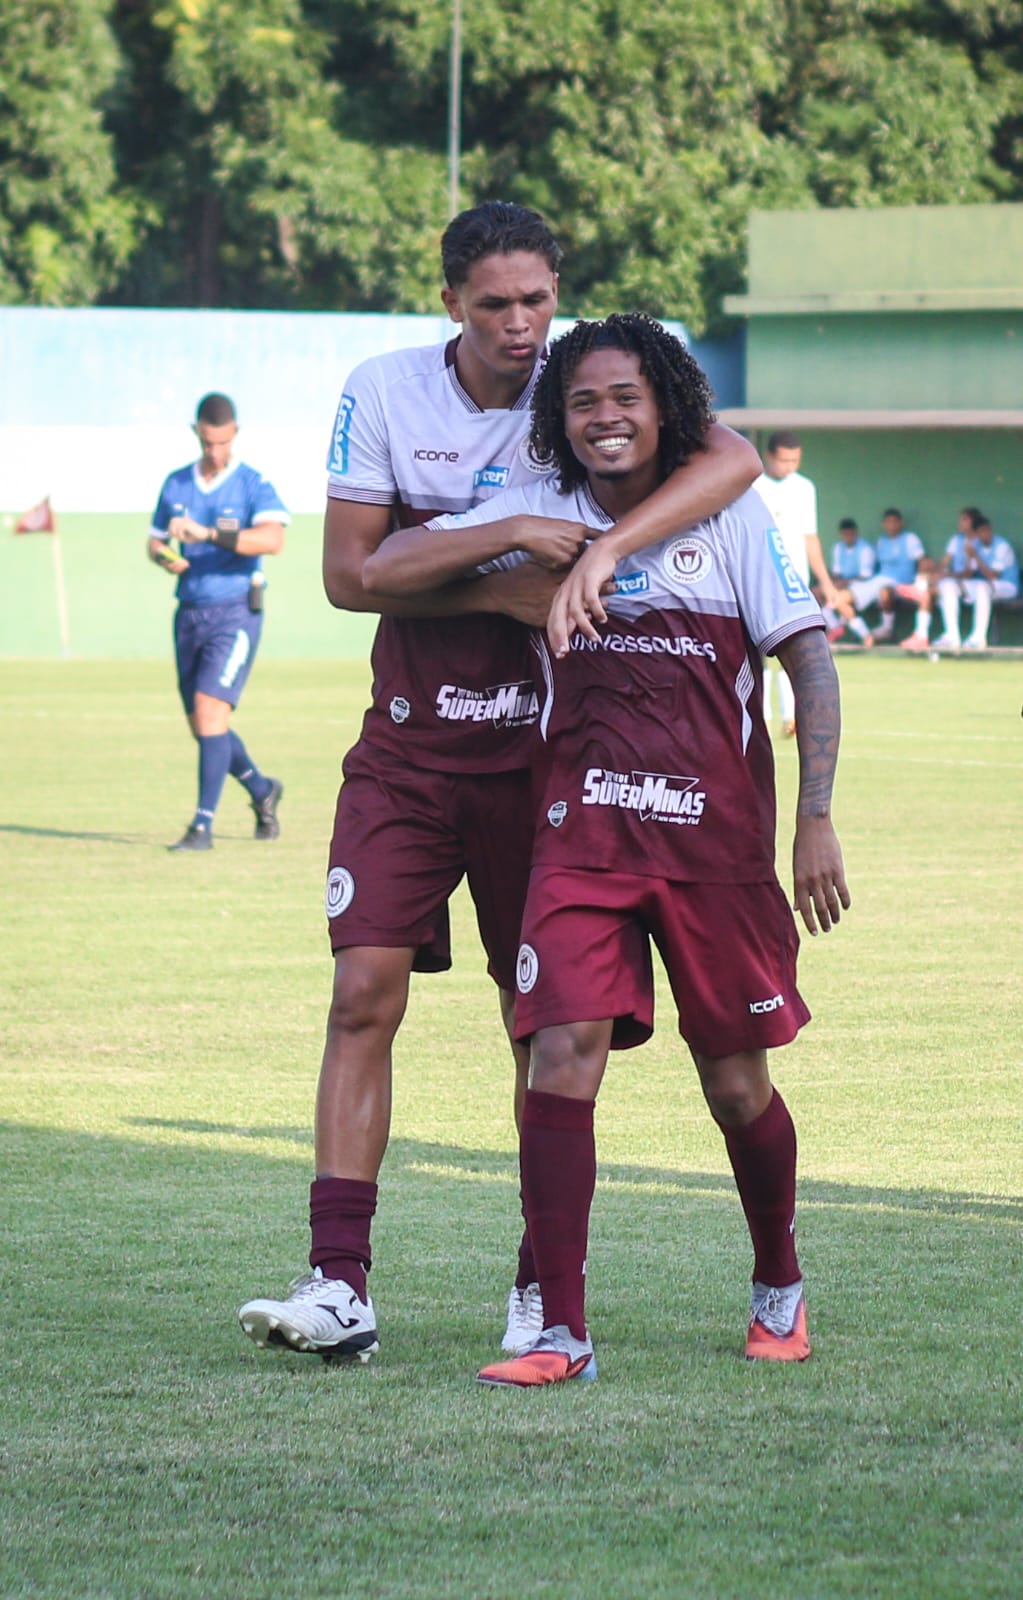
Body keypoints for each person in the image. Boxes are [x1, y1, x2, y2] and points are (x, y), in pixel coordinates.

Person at [237, 203, 762, 1363]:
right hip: (410, 751)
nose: (524, 326)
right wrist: (513, 546)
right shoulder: (384, 389)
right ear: (450, 305)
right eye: (495, 305)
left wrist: (610, 550)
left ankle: (541, 1285)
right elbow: (348, 575)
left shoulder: (585, 386)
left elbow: (725, 454)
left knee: (538, 1021)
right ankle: (338, 1281)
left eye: (539, 300)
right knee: (361, 990)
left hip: (550, 761)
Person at [363, 314, 850, 1385]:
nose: (604, 419)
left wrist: (814, 815)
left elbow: (809, 661)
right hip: (580, 840)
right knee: (560, 1054)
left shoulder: (733, 511)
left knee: (734, 1086)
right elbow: (387, 563)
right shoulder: (542, 509)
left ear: (665, 403)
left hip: (714, 848)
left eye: (624, 397)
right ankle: (562, 1335)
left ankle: (779, 1281)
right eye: (582, 402)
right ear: (560, 418)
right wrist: (501, 569)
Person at [148, 392, 287, 852]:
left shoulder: (252, 484)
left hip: (235, 613)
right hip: (188, 612)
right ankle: (263, 790)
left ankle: (201, 827)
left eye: (223, 443)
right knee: (205, 727)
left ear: (234, 436)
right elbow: (154, 541)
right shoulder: (176, 485)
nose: (215, 452)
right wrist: (165, 556)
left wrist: (209, 534)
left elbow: (272, 539)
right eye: (208, 443)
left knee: (211, 712)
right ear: (197, 434)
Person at [752, 431, 839, 735]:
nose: (790, 467)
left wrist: (825, 582)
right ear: (769, 457)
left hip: (794, 585)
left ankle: (792, 715)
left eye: (795, 461)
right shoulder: (751, 486)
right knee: (758, 656)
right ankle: (758, 716)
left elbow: (810, 537)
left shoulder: (804, 488)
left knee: (796, 652)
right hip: (757, 581)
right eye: (784, 460)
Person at [932, 512, 1020, 650]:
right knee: (947, 585)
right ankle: (951, 636)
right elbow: (967, 576)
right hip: (983, 586)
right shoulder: (975, 545)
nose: (985, 534)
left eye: (987, 530)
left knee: (982, 588)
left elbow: (992, 576)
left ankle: (978, 638)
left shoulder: (1002, 546)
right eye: (981, 532)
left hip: (1007, 586)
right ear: (976, 533)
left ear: (990, 529)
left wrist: (976, 556)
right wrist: (968, 558)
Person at [819, 517, 877, 645]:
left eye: (851, 534)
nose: (848, 537)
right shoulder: (838, 548)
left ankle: (863, 635)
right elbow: (836, 573)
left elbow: (865, 576)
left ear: (855, 532)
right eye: (845, 534)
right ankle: (839, 629)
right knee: (826, 598)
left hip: (864, 586)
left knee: (837, 600)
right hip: (843, 586)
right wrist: (832, 584)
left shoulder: (865, 549)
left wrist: (843, 583)